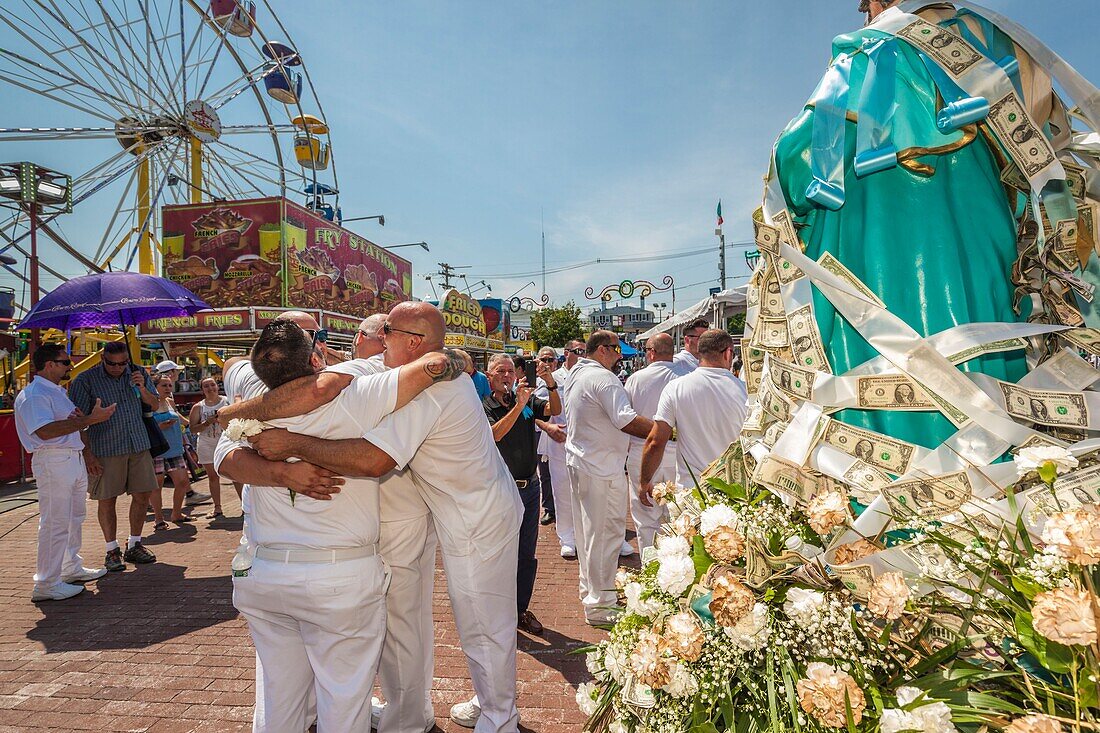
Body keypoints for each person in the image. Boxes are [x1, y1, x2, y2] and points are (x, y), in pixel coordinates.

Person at [243, 302, 524, 732]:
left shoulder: (434, 388)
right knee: (456, 619)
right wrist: (232, 413)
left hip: (478, 514)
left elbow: (373, 461)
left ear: (412, 342)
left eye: (386, 330)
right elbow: (328, 383)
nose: (376, 336)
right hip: (448, 507)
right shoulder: (399, 367)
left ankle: (500, 718)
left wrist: (289, 442)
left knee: (483, 619)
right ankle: (479, 707)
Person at [215, 313, 463, 733]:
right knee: (344, 704)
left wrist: (280, 467)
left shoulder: (249, 410)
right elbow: (433, 366)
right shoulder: (357, 395)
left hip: (265, 574)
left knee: (279, 703)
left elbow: (224, 458)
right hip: (336, 578)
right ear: (314, 357)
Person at [564, 330, 653, 625]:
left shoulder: (578, 374)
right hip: (600, 468)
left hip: (583, 463)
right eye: (616, 351)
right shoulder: (603, 378)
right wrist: (665, 432)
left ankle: (590, 592)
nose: (619, 357)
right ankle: (601, 606)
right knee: (605, 536)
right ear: (603, 349)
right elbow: (625, 419)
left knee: (589, 535)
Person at [15, 344, 114, 601]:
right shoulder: (36, 394)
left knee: (73, 518)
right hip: (53, 459)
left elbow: (66, 424)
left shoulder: (54, 391)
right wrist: (90, 419)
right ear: (50, 365)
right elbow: (45, 431)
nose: (69, 366)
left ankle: (69, 567)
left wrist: (82, 424)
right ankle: (47, 581)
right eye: (65, 362)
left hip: (68, 458)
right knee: (56, 522)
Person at [483, 353, 561, 636]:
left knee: (526, 555)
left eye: (509, 371)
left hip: (530, 487)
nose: (506, 376)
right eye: (499, 371)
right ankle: (497, 613)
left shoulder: (526, 400)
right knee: (500, 554)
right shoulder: (485, 404)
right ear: (489, 376)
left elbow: (553, 410)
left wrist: (550, 382)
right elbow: (495, 434)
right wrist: (518, 405)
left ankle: (519, 611)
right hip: (503, 490)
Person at [68, 341, 159, 571]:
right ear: (102, 359)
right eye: (112, 363)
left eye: (123, 363)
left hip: (138, 444)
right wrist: (87, 454)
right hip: (105, 449)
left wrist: (143, 388)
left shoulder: (138, 373)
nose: (118, 367)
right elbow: (77, 421)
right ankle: (111, 549)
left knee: (142, 495)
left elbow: (155, 404)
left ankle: (135, 544)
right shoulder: (85, 380)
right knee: (107, 499)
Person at [640, 330, 748, 504]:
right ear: (728, 353)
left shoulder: (675, 388)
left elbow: (656, 441)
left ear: (699, 352)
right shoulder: (746, 391)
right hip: (734, 490)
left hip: (692, 491)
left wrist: (644, 481)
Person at [623, 333, 680, 551]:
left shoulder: (636, 379)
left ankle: (650, 566)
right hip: (677, 453)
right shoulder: (685, 376)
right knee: (676, 516)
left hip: (642, 451)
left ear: (651, 352)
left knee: (646, 518)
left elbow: (627, 418)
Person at [536, 339, 584, 558]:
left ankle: (588, 535)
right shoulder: (551, 378)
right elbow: (533, 408)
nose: (582, 354)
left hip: (586, 443)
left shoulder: (589, 374)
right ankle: (567, 537)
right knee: (563, 492)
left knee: (589, 492)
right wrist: (547, 427)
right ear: (566, 353)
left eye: (585, 351)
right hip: (560, 442)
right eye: (578, 351)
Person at [188, 377, 238, 517]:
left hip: (227, 441)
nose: (210, 388)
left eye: (212, 385)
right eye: (206, 386)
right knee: (213, 476)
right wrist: (206, 423)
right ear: (202, 390)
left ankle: (245, 507)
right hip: (207, 443)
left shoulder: (227, 401)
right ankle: (217, 507)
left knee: (235, 474)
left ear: (217, 386)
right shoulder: (198, 407)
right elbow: (192, 429)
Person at [149, 374, 192, 527]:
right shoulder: (149, 404)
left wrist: (197, 424)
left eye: (169, 385)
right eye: (164, 385)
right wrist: (160, 427)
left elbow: (183, 421)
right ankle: (159, 518)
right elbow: (145, 427)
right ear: (154, 387)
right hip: (158, 450)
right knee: (156, 485)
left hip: (175, 449)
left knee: (182, 481)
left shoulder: (170, 402)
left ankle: (176, 513)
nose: (168, 388)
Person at [531, 347, 559, 526]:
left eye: (550, 360)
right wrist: (546, 426)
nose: (547, 364)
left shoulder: (565, 378)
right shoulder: (532, 381)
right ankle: (550, 508)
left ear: (556, 361)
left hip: (564, 432)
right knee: (546, 474)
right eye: (544, 360)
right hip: (542, 433)